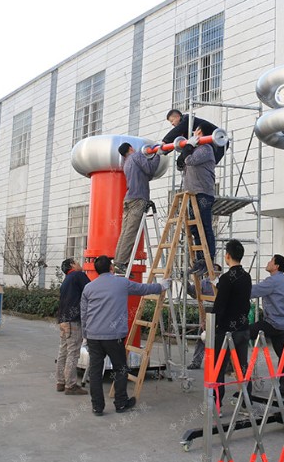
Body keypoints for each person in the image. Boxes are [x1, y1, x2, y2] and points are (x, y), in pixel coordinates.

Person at [80, 255, 170, 416]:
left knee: (95, 372)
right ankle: (121, 403)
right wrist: (161, 286)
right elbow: (143, 289)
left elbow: (84, 314)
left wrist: (85, 335)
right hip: (114, 336)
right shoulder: (121, 283)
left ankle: (97, 407)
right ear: (111, 268)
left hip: (93, 335)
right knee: (120, 368)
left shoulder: (88, 288)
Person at [170, 111, 218, 277]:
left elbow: (189, 160)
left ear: (203, 134)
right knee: (194, 227)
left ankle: (208, 259)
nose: (194, 134)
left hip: (203, 193)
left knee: (204, 226)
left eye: (197, 131)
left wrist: (188, 147)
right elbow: (182, 164)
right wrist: (186, 150)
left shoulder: (206, 149)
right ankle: (199, 259)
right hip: (192, 193)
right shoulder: (195, 149)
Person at [113, 142, 164, 273]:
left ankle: (118, 261)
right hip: (138, 198)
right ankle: (121, 263)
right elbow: (150, 169)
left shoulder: (126, 163)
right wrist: (157, 155)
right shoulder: (136, 156)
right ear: (131, 148)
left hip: (128, 199)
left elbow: (147, 174)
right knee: (131, 232)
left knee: (125, 232)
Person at [211, 240, 251, 406]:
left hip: (226, 330)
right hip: (243, 328)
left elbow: (219, 305)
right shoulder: (246, 276)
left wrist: (212, 324)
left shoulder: (227, 278)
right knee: (242, 367)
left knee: (218, 367)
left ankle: (217, 403)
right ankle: (246, 403)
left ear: (227, 255)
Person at [249, 255, 284, 398]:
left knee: (243, 334)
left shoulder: (273, 281)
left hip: (273, 323)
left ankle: (236, 369)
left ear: (276, 266)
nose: (268, 263)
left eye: (271, 261)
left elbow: (252, 291)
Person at [55, 258, 90, 395]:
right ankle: (70, 385)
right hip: (73, 321)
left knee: (63, 351)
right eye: (77, 262)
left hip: (63, 320)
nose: (80, 264)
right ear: (72, 265)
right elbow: (91, 290)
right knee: (73, 353)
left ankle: (60, 382)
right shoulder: (78, 275)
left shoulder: (67, 280)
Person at [187, 263, 222, 370]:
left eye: (215, 270)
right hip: (206, 314)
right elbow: (193, 292)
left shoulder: (222, 283)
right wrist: (185, 282)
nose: (212, 272)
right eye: (211, 270)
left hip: (220, 313)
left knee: (222, 339)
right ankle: (196, 362)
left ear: (219, 273)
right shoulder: (203, 283)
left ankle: (224, 363)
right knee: (202, 338)